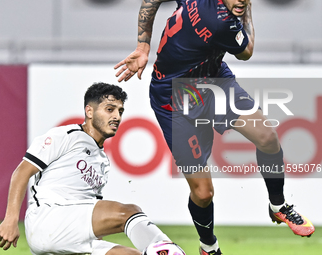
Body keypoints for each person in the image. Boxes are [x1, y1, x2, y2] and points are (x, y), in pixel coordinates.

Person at [114, 0, 315, 254]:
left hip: (214, 81)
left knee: (267, 137)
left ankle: (278, 206)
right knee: (203, 192)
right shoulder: (223, 22)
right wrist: (249, 10)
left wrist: (143, 45)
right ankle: (208, 245)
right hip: (174, 98)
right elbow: (246, 52)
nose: (241, 0)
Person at [0, 82, 175, 255]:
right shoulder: (66, 136)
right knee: (130, 212)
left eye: (120, 111)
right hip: (48, 219)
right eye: (110, 109)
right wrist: (11, 219)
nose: (116, 117)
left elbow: (89, 208)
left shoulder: (102, 162)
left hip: (70, 234)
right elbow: (22, 172)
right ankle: (171, 251)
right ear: (89, 111)